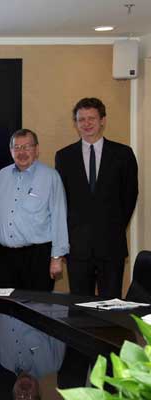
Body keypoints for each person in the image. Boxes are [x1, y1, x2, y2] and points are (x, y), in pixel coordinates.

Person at [55, 97, 138, 298]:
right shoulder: (64, 156)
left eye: (91, 118)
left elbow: (129, 196)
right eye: (81, 119)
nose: (87, 124)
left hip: (111, 245)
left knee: (111, 305)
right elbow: (61, 201)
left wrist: (113, 225)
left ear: (102, 120)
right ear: (76, 123)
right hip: (77, 247)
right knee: (79, 306)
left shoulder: (123, 154)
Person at [0, 129, 69, 291]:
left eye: (27, 147)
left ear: (36, 149)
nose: (21, 152)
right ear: (11, 150)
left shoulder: (50, 176)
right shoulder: (1, 176)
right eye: (17, 147)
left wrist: (56, 257)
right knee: (6, 304)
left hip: (37, 257)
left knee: (37, 303)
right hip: (5, 257)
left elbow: (59, 217)